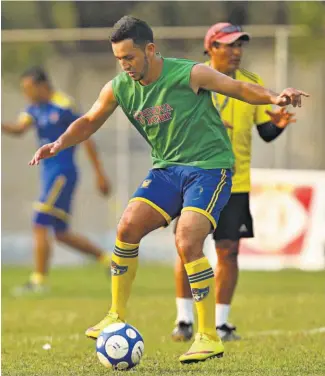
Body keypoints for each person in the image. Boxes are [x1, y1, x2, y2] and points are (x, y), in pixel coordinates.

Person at [28, 16, 308, 363]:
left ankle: (207, 336)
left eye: (129, 57)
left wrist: (275, 96)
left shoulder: (189, 73)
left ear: (149, 49)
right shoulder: (119, 87)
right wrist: (58, 143)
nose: (124, 65)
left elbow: (238, 89)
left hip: (210, 168)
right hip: (166, 169)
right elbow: (88, 121)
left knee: (188, 239)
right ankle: (116, 313)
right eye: (119, 59)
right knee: (127, 226)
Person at [171, 22, 297, 342]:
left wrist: (278, 124)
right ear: (210, 48)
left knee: (228, 252)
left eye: (240, 44)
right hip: (196, 180)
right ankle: (184, 320)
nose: (236, 51)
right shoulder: (193, 80)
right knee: (188, 248)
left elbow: (265, 133)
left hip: (235, 183)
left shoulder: (252, 84)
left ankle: (222, 324)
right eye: (228, 44)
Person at [2, 67, 111, 295]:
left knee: (40, 221)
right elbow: (19, 129)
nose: (26, 94)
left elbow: (86, 136)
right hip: (49, 174)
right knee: (60, 233)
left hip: (62, 172)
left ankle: (38, 281)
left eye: (28, 89)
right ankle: (109, 261)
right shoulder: (34, 108)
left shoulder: (64, 105)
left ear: (42, 85)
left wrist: (100, 173)